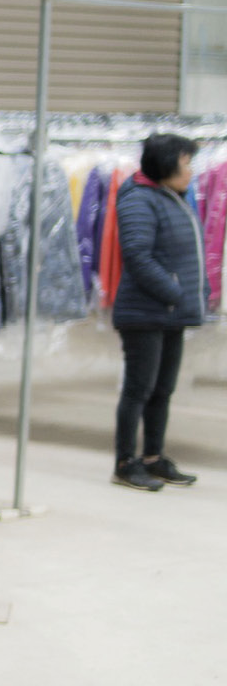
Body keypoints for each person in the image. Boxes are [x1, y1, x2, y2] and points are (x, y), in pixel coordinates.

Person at [111, 132, 205, 490]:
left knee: (162, 389)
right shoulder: (139, 199)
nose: (191, 170)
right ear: (166, 165)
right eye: (186, 163)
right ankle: (125, 462)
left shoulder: (170, 196)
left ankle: (153, 457)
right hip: (145, 313)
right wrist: (174, 291)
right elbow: (137, 255)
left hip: (170, 312)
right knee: (139, 389)